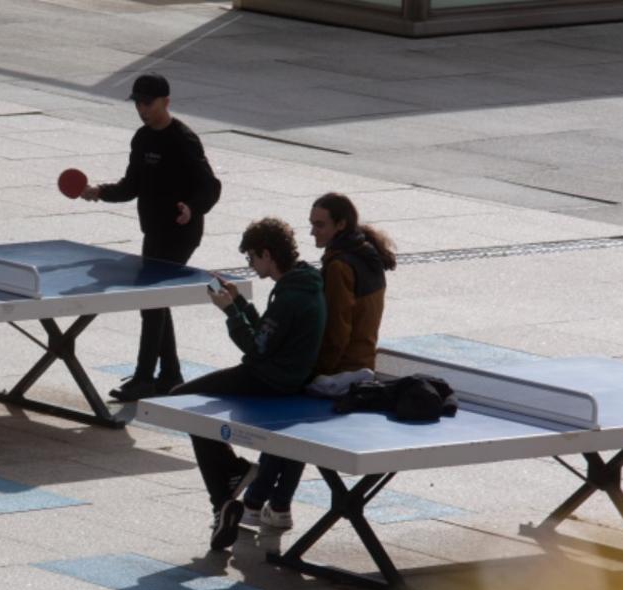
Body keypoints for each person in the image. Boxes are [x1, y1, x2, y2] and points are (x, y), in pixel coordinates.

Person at [240, 192, 397, 529]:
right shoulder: (367, 256)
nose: (312, 231)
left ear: (341, 224)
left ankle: (255, 502)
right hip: (362, 363)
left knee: (285, 430)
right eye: (312, 224)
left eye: (320, 224)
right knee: (296, 434)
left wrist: (313, 372)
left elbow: (337, 329)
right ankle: (276, 505)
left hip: (339, 370)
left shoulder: (340, 266)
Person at [170, 218, 326, 551]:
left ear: (267, 254)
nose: (251, 265)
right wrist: (240, 303)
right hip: (284, 376)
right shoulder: (303, 284)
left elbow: (255, 349)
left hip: (268, 380)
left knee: (180, 400)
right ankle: (225, 495)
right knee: (189, 405)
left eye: (252, 257)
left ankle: (227, 487)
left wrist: (230, 312)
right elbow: (269, 335)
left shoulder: (290, 297)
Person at [80, 72, 222, 401]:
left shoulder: (183, 139)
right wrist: (100, 191)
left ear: (165, 102)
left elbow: (211, 185)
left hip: (181, 233)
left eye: (148, 103)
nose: (142, 109)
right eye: (138, 103)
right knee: (156, 301)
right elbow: (131, 186)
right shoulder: (142, 138)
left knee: (151, 302)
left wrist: (193, 208)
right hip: (154, 231)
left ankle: (145, 377)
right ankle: (170, 374)